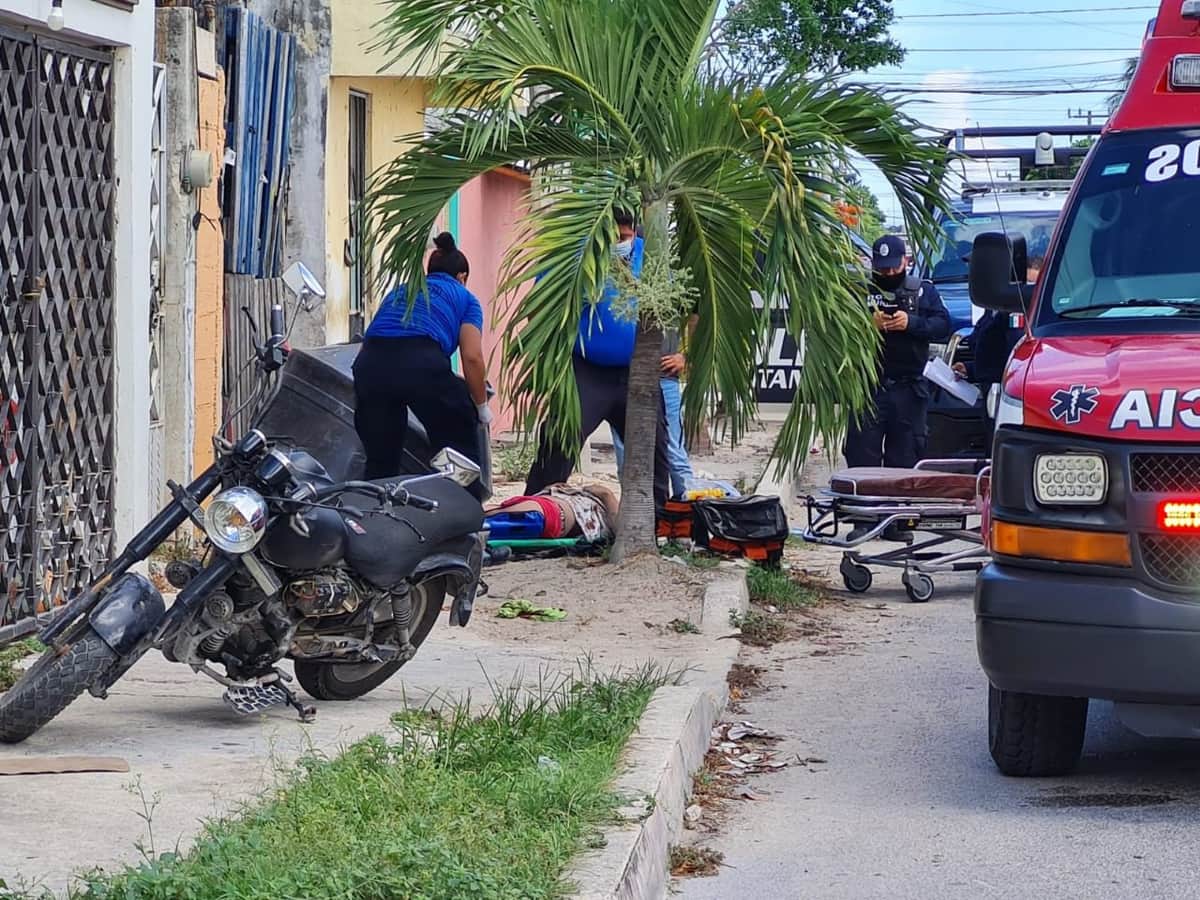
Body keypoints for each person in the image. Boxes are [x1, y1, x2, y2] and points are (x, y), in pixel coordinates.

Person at [524, 209, 671, 505]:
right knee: (559, 444)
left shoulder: (650, 255)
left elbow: (670, 304)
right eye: (616, 235)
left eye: (628, 235)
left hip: (637, 371)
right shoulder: (573, 255)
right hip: (586, 370)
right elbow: (539, 309)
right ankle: (534, 510)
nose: (623, 241)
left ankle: (658, 519)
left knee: (654, 449)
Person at [353, 232, 490, 482]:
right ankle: (461, 500)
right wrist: (481, 407)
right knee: (457, 443)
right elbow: (472, 356)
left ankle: (376, 502)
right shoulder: (466, 298)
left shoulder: (400, 291)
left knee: (381, 457)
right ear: (462, 277)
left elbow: (372, 339)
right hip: (421, 361)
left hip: (371, 363)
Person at [844, 234, 951, 469]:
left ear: (906, 261)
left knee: (905, 462)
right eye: (883, 270)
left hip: (909, 390)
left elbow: (943, 326)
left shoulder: (922, 291)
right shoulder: (859, 290)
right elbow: (837, 328)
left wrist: (911, 323)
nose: (890, 274)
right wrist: (867, 324)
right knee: (861, 459)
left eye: (895, 267)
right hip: (869, 389)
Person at [610, 315, 698, 498]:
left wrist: (687, 357)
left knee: (674, 453)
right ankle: (634, 510)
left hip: (665, 376)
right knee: (626, 454)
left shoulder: (675, 295)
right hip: (624, 376)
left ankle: (689, 508)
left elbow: (700, 319)